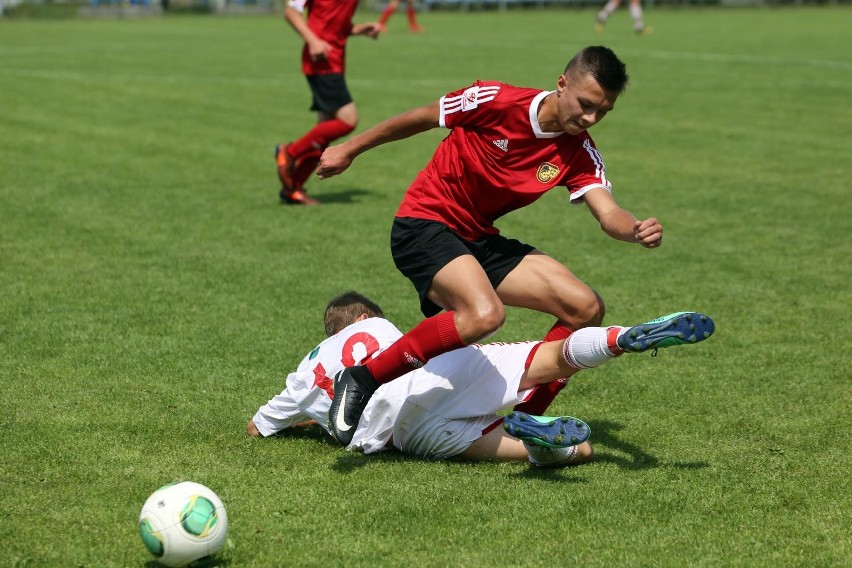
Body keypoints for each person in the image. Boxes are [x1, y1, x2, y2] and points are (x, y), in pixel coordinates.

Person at [316, 46, 665, 445]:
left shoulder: (580, 151)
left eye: (602, 112)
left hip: (477, 237)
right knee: (483, 315)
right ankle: (363, 378)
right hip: (423, 223)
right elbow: (422, 117)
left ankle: (526, 418)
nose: (590, 118)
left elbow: (608, 213)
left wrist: (633, 229)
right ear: (562, 83)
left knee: (584, 307)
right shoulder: (495, 100)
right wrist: (350, 148)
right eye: (586, 105)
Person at [247, 292, 715, 467]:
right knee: (548, 359)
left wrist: (308, 419)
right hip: (434, 375)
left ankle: (537, 440)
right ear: (366, 316)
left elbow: (258, 428)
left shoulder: (302, 376)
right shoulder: (378, 329)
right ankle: (621, 340)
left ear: (328, 332)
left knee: (579, 451)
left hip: (408, 435)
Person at [275, 0, 382, 205]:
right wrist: (313, 41)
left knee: (323, 133)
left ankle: (292, 188)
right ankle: (288, 153)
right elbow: (290, 11)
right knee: (348, 120)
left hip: (335, 61)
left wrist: (359, 29)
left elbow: (335, 25)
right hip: (321, 62)